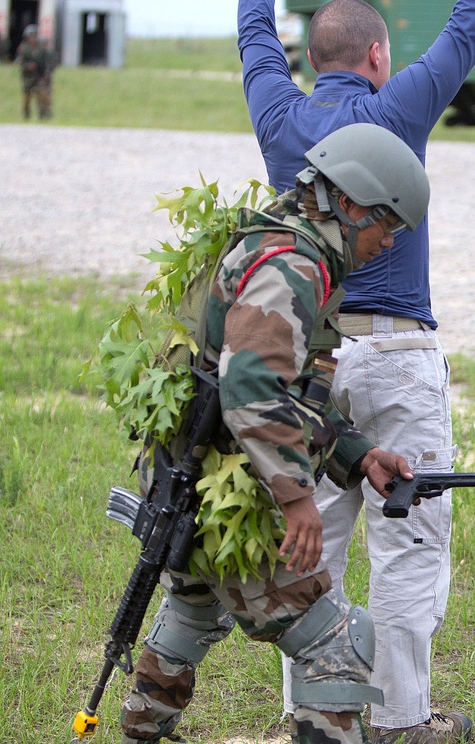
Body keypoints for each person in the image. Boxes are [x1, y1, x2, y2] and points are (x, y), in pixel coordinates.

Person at [237, 0, 475, 741]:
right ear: (375, 56)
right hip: (399, 353)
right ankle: (398, 722)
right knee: (408, 547)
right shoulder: (398, 107)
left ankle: (308, 716)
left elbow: (255, 34)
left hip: (311, 361)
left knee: (309, 543)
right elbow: (470, 24)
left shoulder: (277, 111)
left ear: (310, 56)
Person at [118, 123, 429, 744]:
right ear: (349, 202)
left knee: (193, 609)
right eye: (386, 225)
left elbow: (286, 389)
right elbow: (253, 390)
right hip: (227, 491)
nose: (386, 243)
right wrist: (295, 500)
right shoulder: (291, 265)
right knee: (335, 640)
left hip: (199, 482)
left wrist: (359, 454)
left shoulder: (278, 239)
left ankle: (141, 731)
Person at [14, 24, 56, 120]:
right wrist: (28, 66)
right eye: (30, 36)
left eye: (34, 36)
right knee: (27, 97)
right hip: (28, 76)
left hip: (39, 75)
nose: (32, 39)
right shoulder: (23, 48)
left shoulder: (41, 48)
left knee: (42, 94)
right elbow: (19, 61)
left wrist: (46, 71)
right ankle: (26, 114)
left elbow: (48, 60)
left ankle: (43, 115)